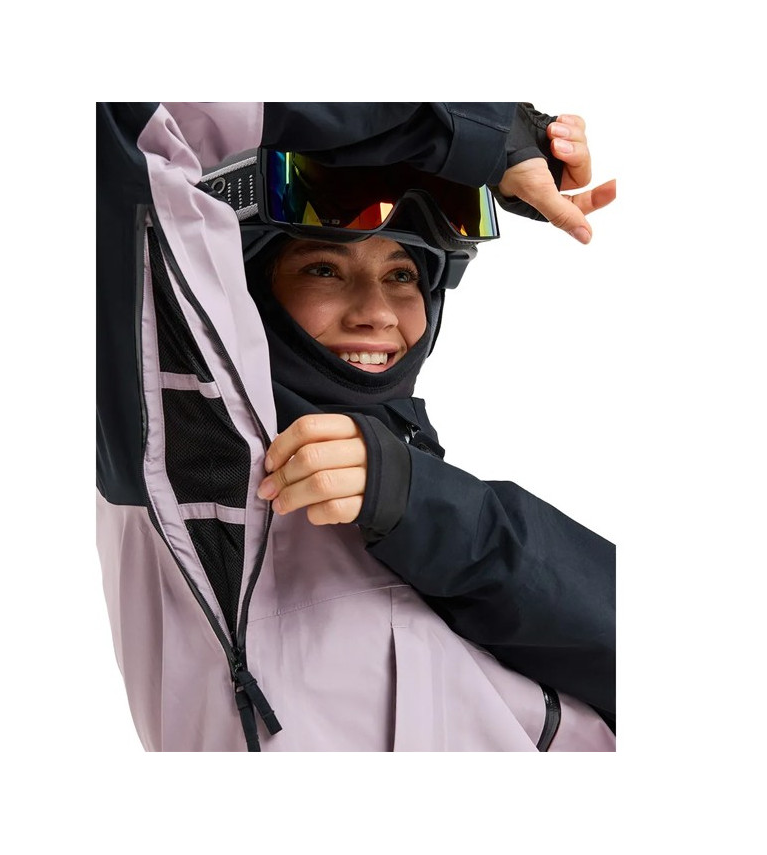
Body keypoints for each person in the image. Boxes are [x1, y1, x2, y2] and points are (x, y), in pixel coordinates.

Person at [96, 102, 616, 751]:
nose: (377, 312)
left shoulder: (428, 510)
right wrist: (465, 129)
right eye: (324, 269)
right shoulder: (192, 450)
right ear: (251, 287)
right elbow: (125, 118)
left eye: (402, 275)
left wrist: (420, 501)